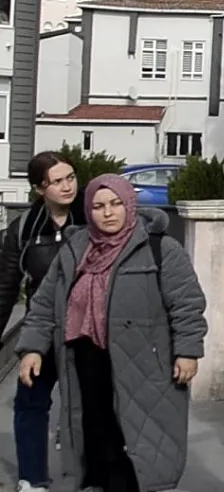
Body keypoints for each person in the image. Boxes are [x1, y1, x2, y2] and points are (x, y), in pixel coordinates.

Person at [16, 174, 209, 492]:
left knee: (135, 439)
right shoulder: (74, 249)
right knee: (95, 436)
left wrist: (188, 351)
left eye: (116, 204)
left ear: (129, 204)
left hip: (143, 362)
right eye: (98, 206)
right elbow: (44, 305)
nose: (108, 213)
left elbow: (187, 304)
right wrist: (32, 349)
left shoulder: (160, 248)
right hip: (85, 361)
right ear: (88, 211)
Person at [0, 152, 86, 492]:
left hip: (88, 329)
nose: (67, 186)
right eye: (57, 181)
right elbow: (6, 287)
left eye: (71, 177)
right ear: (39, 189)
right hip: (43, 329)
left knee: (91, 405)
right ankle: (32, 478)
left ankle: (89, 475)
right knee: (31, 402)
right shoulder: (24, 229)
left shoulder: (92, 216)